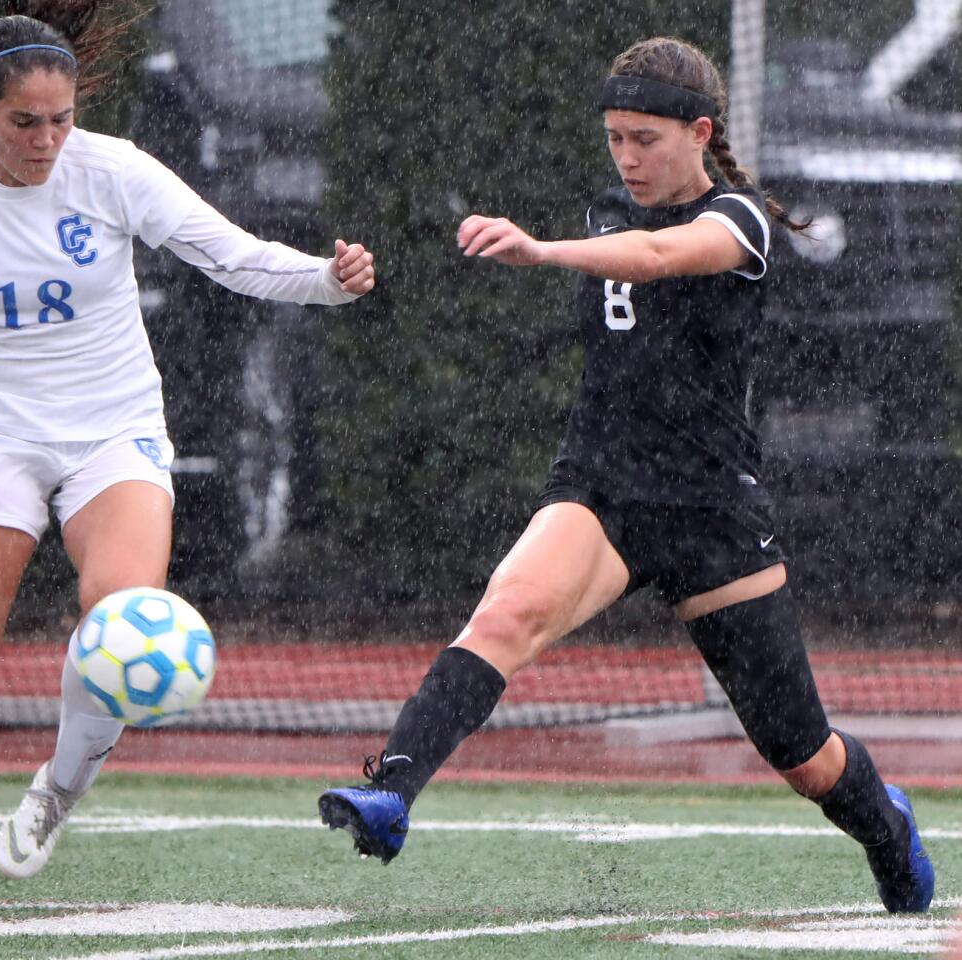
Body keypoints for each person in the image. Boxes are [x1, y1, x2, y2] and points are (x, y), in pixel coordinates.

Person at [317, 35, 933, 914]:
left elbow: (656, 259)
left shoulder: (741, 223)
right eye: (615, 137)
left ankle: (886, 824)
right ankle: (390, 791)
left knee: (801, 754)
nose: (628, 157)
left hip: (712, 513)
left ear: (698, 132)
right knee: (506, 612)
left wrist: (540, 252)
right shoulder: (610, 207)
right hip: (601, 488)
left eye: (646, 138)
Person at [0, 0, 374, 901]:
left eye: (60, 120)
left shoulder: (113, 170)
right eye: (22, 123)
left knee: (117, 619)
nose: (45, 140)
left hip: (114, 431)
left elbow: (229, 254)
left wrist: (324, 280)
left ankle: (56, 793)